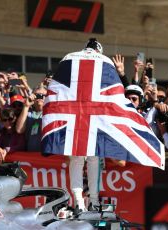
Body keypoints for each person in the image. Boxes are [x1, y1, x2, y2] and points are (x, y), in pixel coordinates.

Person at [58, 38, 106, 212]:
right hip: (94, 113)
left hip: (74, 112)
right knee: (93, 159)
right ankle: (93, 201)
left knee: (77, 159)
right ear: (98, 50)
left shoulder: (69, 57)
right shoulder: (104, 61)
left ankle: (78, 201)